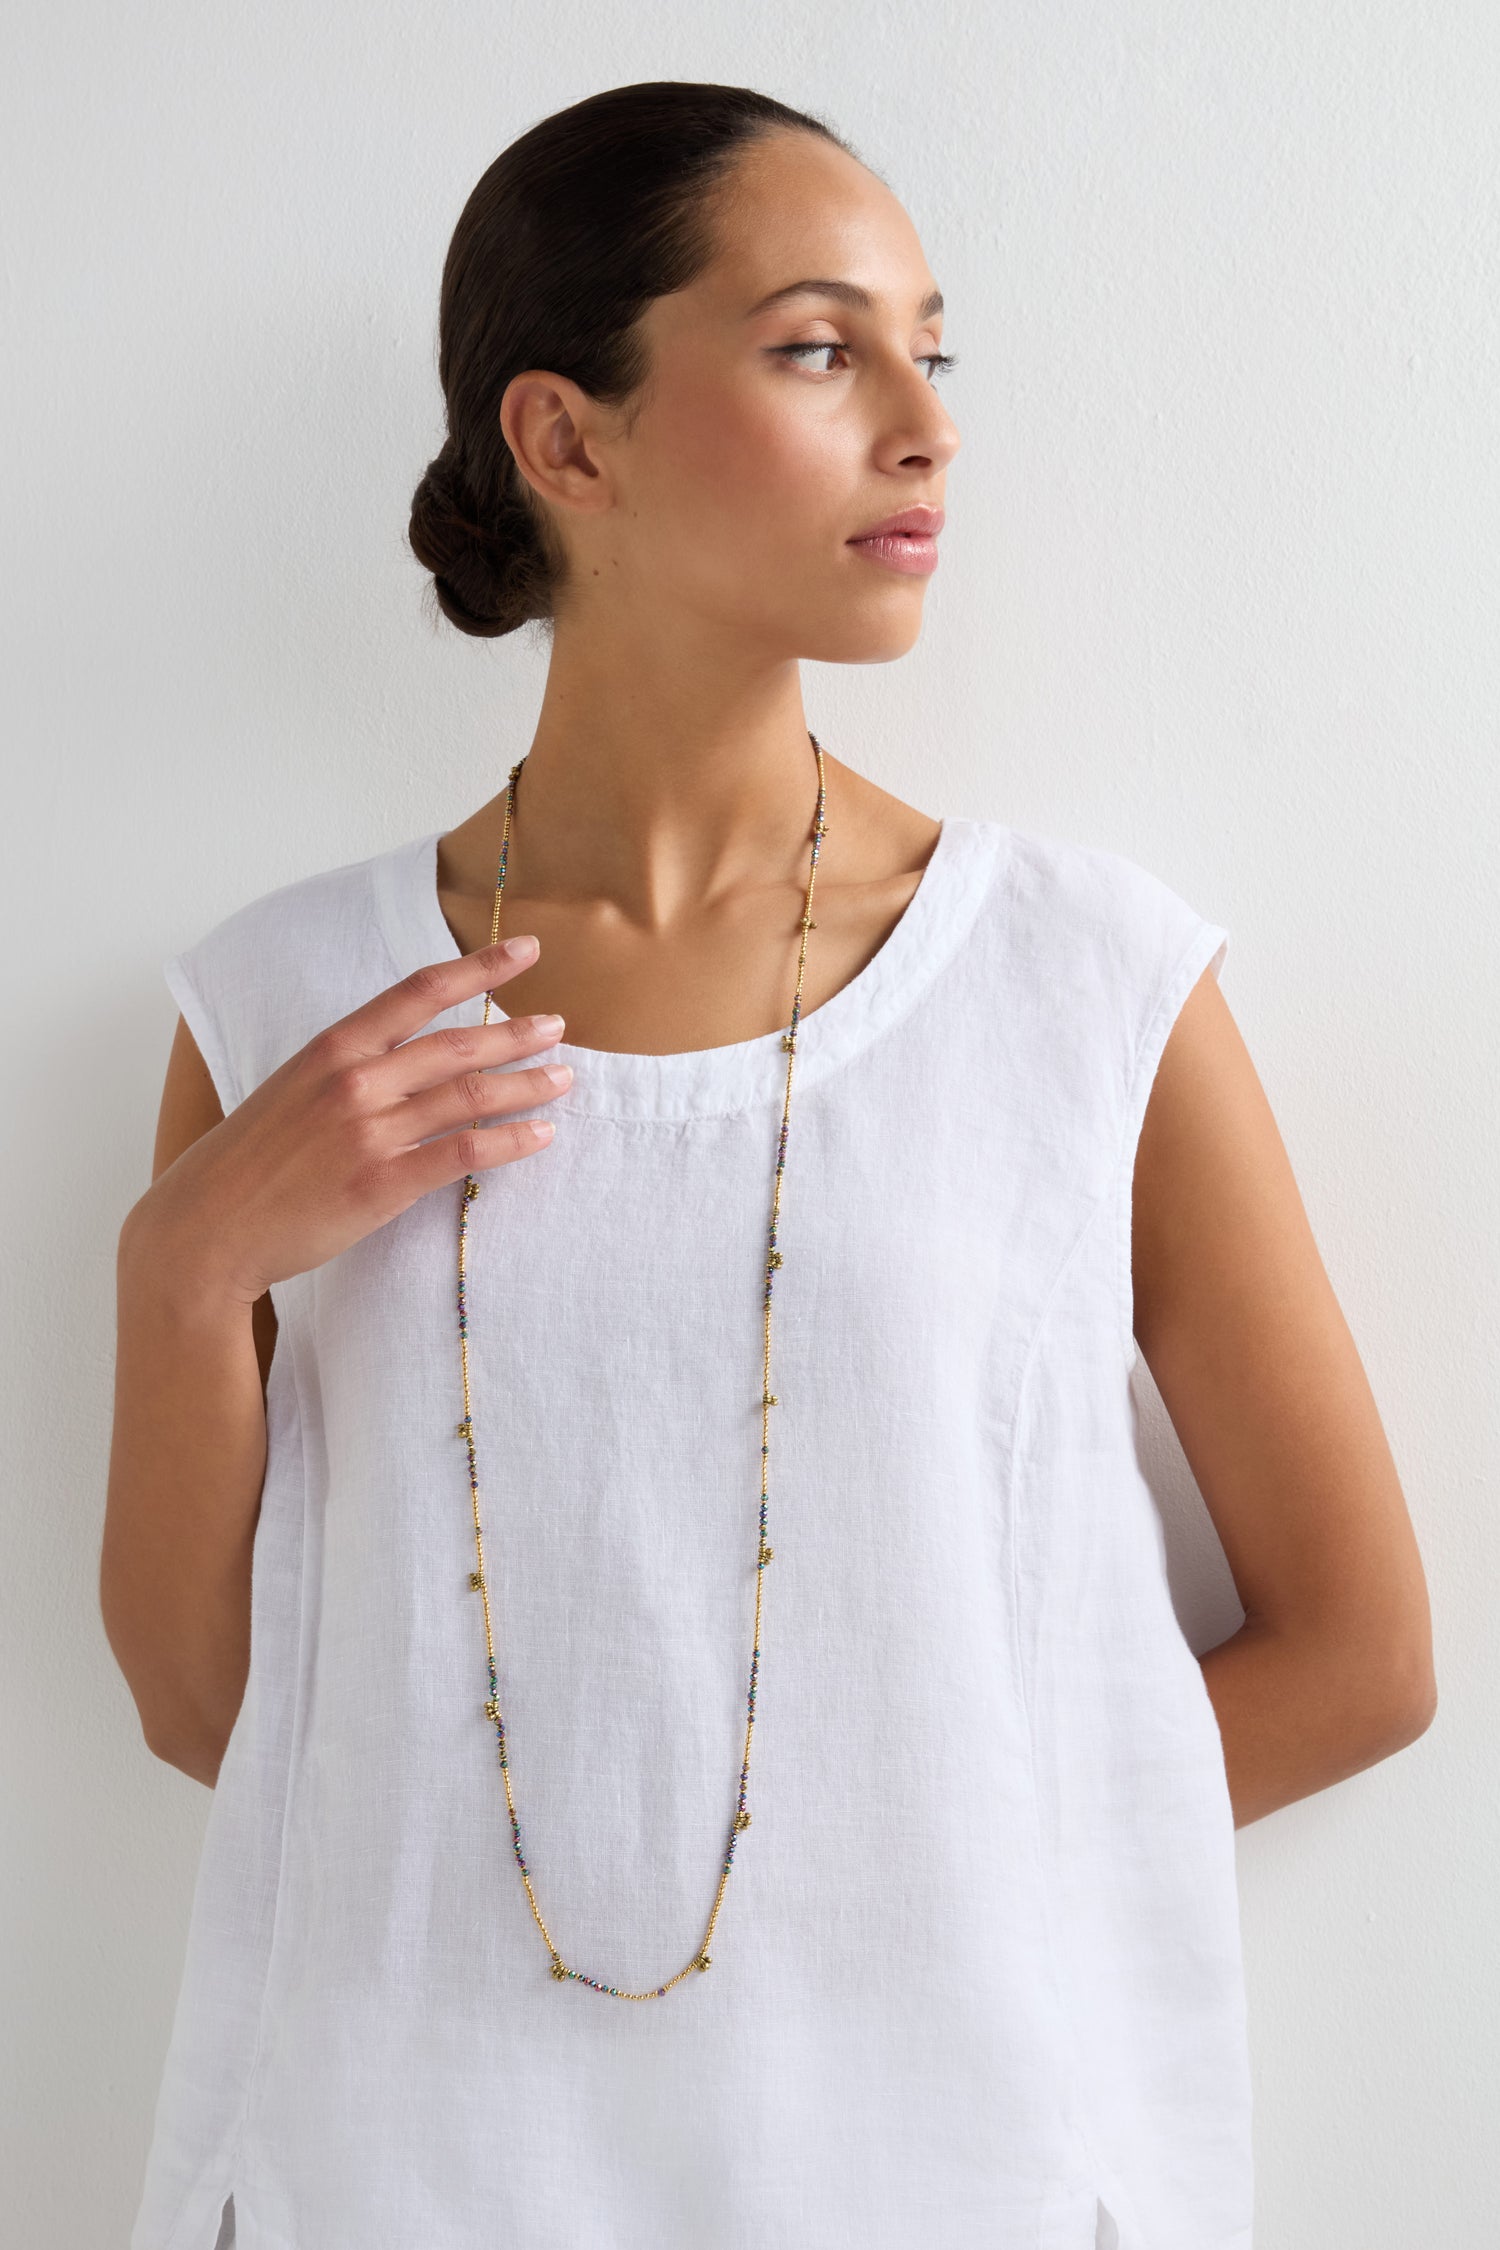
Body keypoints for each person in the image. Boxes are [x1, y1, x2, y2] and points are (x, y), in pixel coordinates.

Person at [104, 79, 1436, 2250]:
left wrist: (914, 1904)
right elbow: (210, 1712)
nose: (927, 425)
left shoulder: (1082, 985)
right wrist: (182, 1275)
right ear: (567, 441)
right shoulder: (290, 1008)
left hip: (948, 2180)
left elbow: (1362, 1653)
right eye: (822, 348)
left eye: (933, 348)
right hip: (402, 2176)